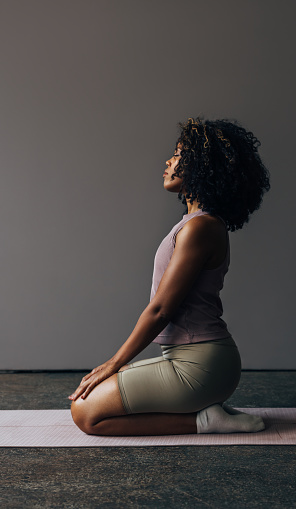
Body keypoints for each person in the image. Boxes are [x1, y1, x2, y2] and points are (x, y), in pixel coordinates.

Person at [69, 116, 270, 436]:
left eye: (178, 154)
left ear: (203, 165)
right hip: (194, 361)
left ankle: (205, 421)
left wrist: (113, 363)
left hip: (201, 366)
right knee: (88, 404)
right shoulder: (195, 223)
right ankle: (210, 414)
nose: (169, 161)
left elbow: (161, 309)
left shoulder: (201, 228)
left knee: (85, 412)